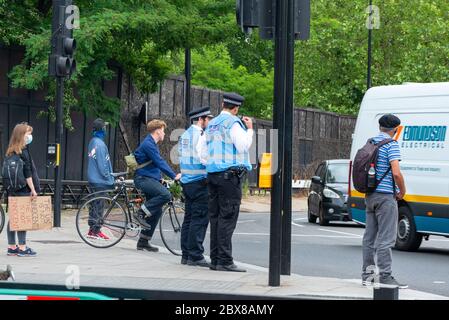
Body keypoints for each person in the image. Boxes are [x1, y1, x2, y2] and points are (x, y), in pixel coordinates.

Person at [205, 93, 253, 272]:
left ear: (223, 104)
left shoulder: (212, 124)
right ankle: (225, 261)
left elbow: (203, 152)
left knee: (215, 218)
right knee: (227, 217)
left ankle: (215, 259)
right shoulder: (233, 123)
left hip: (212, 175)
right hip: (229, 176)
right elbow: (243, 146)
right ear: (236, 108)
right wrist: (249, 129)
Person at [362, 114, 408, 289]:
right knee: (386, 239)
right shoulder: (391, 145)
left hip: (370, 195)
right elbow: (396, 173)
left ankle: (367, 276)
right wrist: (402, 191)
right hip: (386, 197)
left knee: (369, 239)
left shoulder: (370, 142)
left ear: (380, 127)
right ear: (395, 129)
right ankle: (385, 276)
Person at [133, 119, 181, 252]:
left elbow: (154, 166)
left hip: (149, 179)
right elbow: (159, 162)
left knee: (157, 210)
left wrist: (160, 179)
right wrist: (174, 175)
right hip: (142, 179)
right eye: (163, 131)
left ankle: (143, 241)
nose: (164, 134)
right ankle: (140, 213)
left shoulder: (152, 144)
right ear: (158, 130)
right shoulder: (148, 144)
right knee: (165, 195)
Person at [179, 107, 214, 267]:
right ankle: (195, 255)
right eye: (208, 119)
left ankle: (186, 254)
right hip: (199, 181)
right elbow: (204, 158)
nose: (209, 122)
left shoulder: (185, 135)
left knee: (189, 219)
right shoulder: (200, 136)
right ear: (202, 119)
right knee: (199, 219)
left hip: (187, 181)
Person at [5, 123, 39, 257]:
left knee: (13, 218)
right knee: (23, 218)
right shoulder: (24, 152)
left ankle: (12, 247)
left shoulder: (10, 151)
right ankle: (23, 247)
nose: (30, 136)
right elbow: (28, 173)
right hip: (23, 189)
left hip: (12, 189)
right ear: (21, 136)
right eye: (28, 134)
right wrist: (33, 189)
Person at [87, 118, 114, 240]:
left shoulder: (93, 141)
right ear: (102, 129)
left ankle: (92, 229)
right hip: (100, 180)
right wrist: (109, 177)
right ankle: (96, 230)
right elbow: (103, 165)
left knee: (94, 204)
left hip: (93, 178)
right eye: (105, 127)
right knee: (99, 206)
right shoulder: (100, 144)